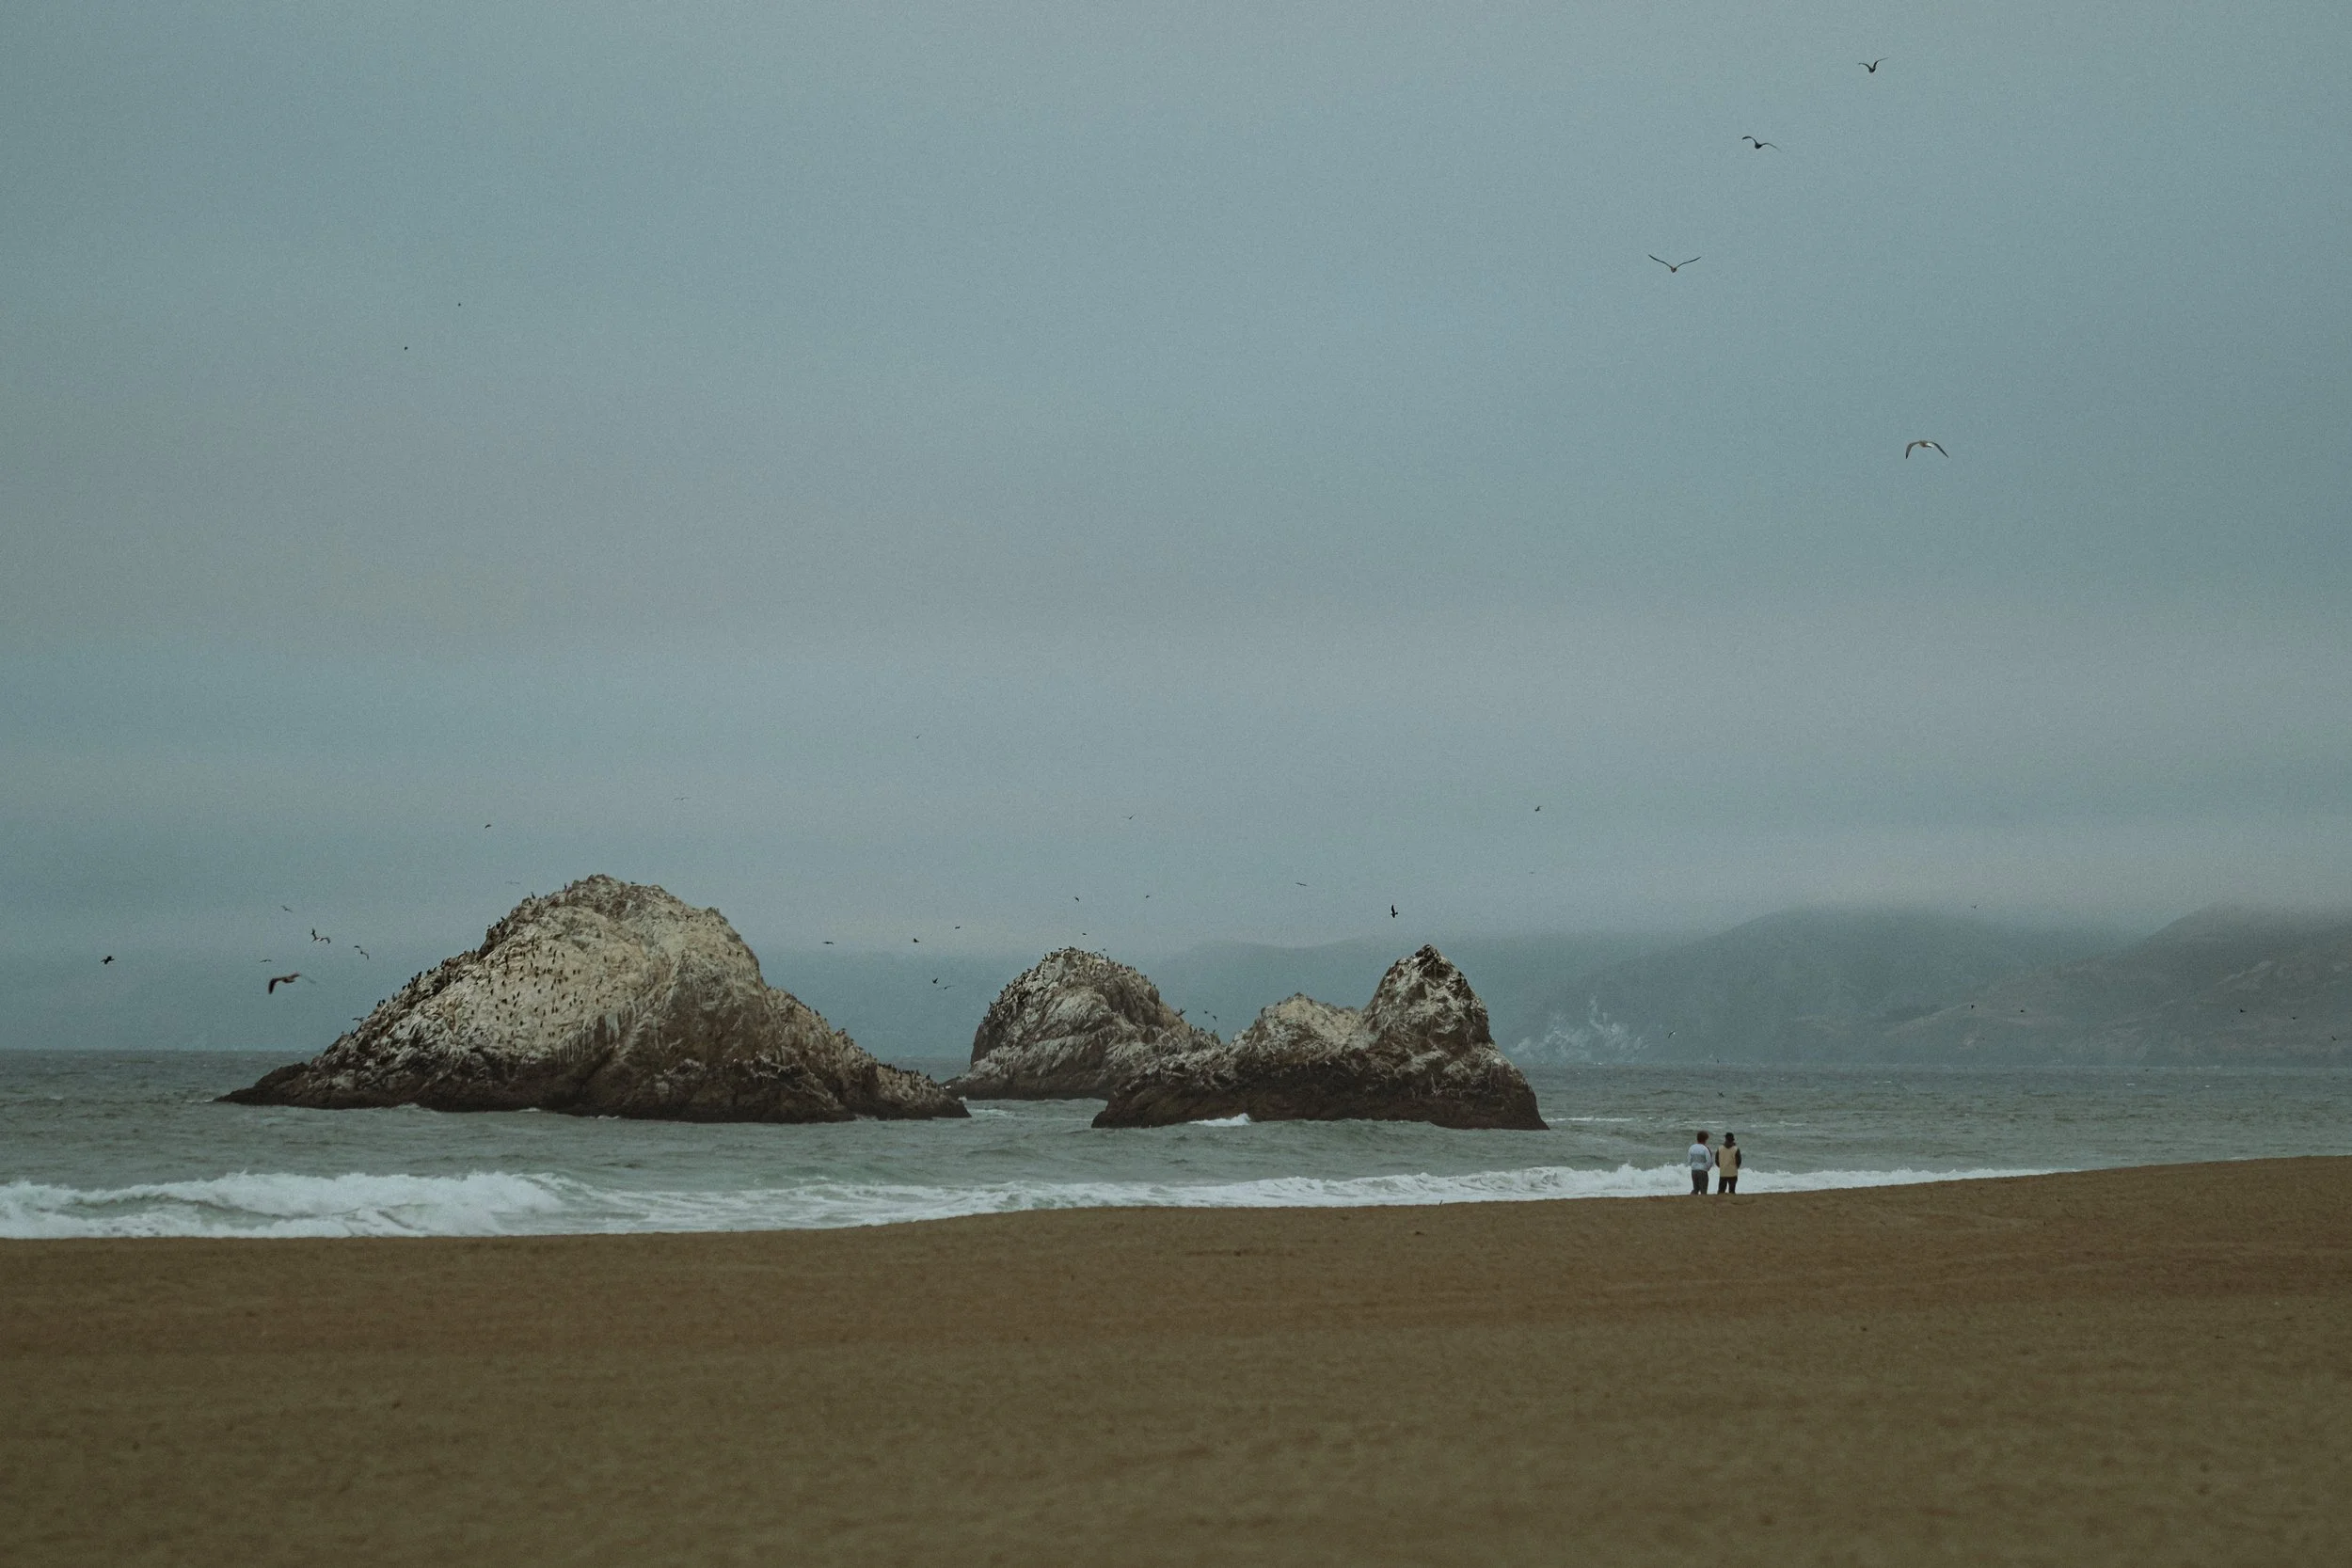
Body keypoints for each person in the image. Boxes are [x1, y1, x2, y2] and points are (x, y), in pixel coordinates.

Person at [1687, 1131, 1712, 1195]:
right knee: (1703, 1189)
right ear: (1705, 1139)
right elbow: (1709, 1161)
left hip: (1694, 1170)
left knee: (1696, 1188)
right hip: (1702, 1170)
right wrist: (1707, 1168)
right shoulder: (1705, 1149)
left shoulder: (1691, 1147)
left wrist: (1693, 1165)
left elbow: (1689, 1160)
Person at [1716, 1132, 1740, 1196]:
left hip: (1723, 1172)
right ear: (1733, 1140)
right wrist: (1736, 1167)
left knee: (1721, 1191)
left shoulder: (1720, 1148)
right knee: (1732, 1191)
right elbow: (1738, 1162)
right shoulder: (1736, 1149)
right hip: (1733, 1172)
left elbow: (1717, 1161)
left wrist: (1721, 1166)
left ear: (1726, 1139)